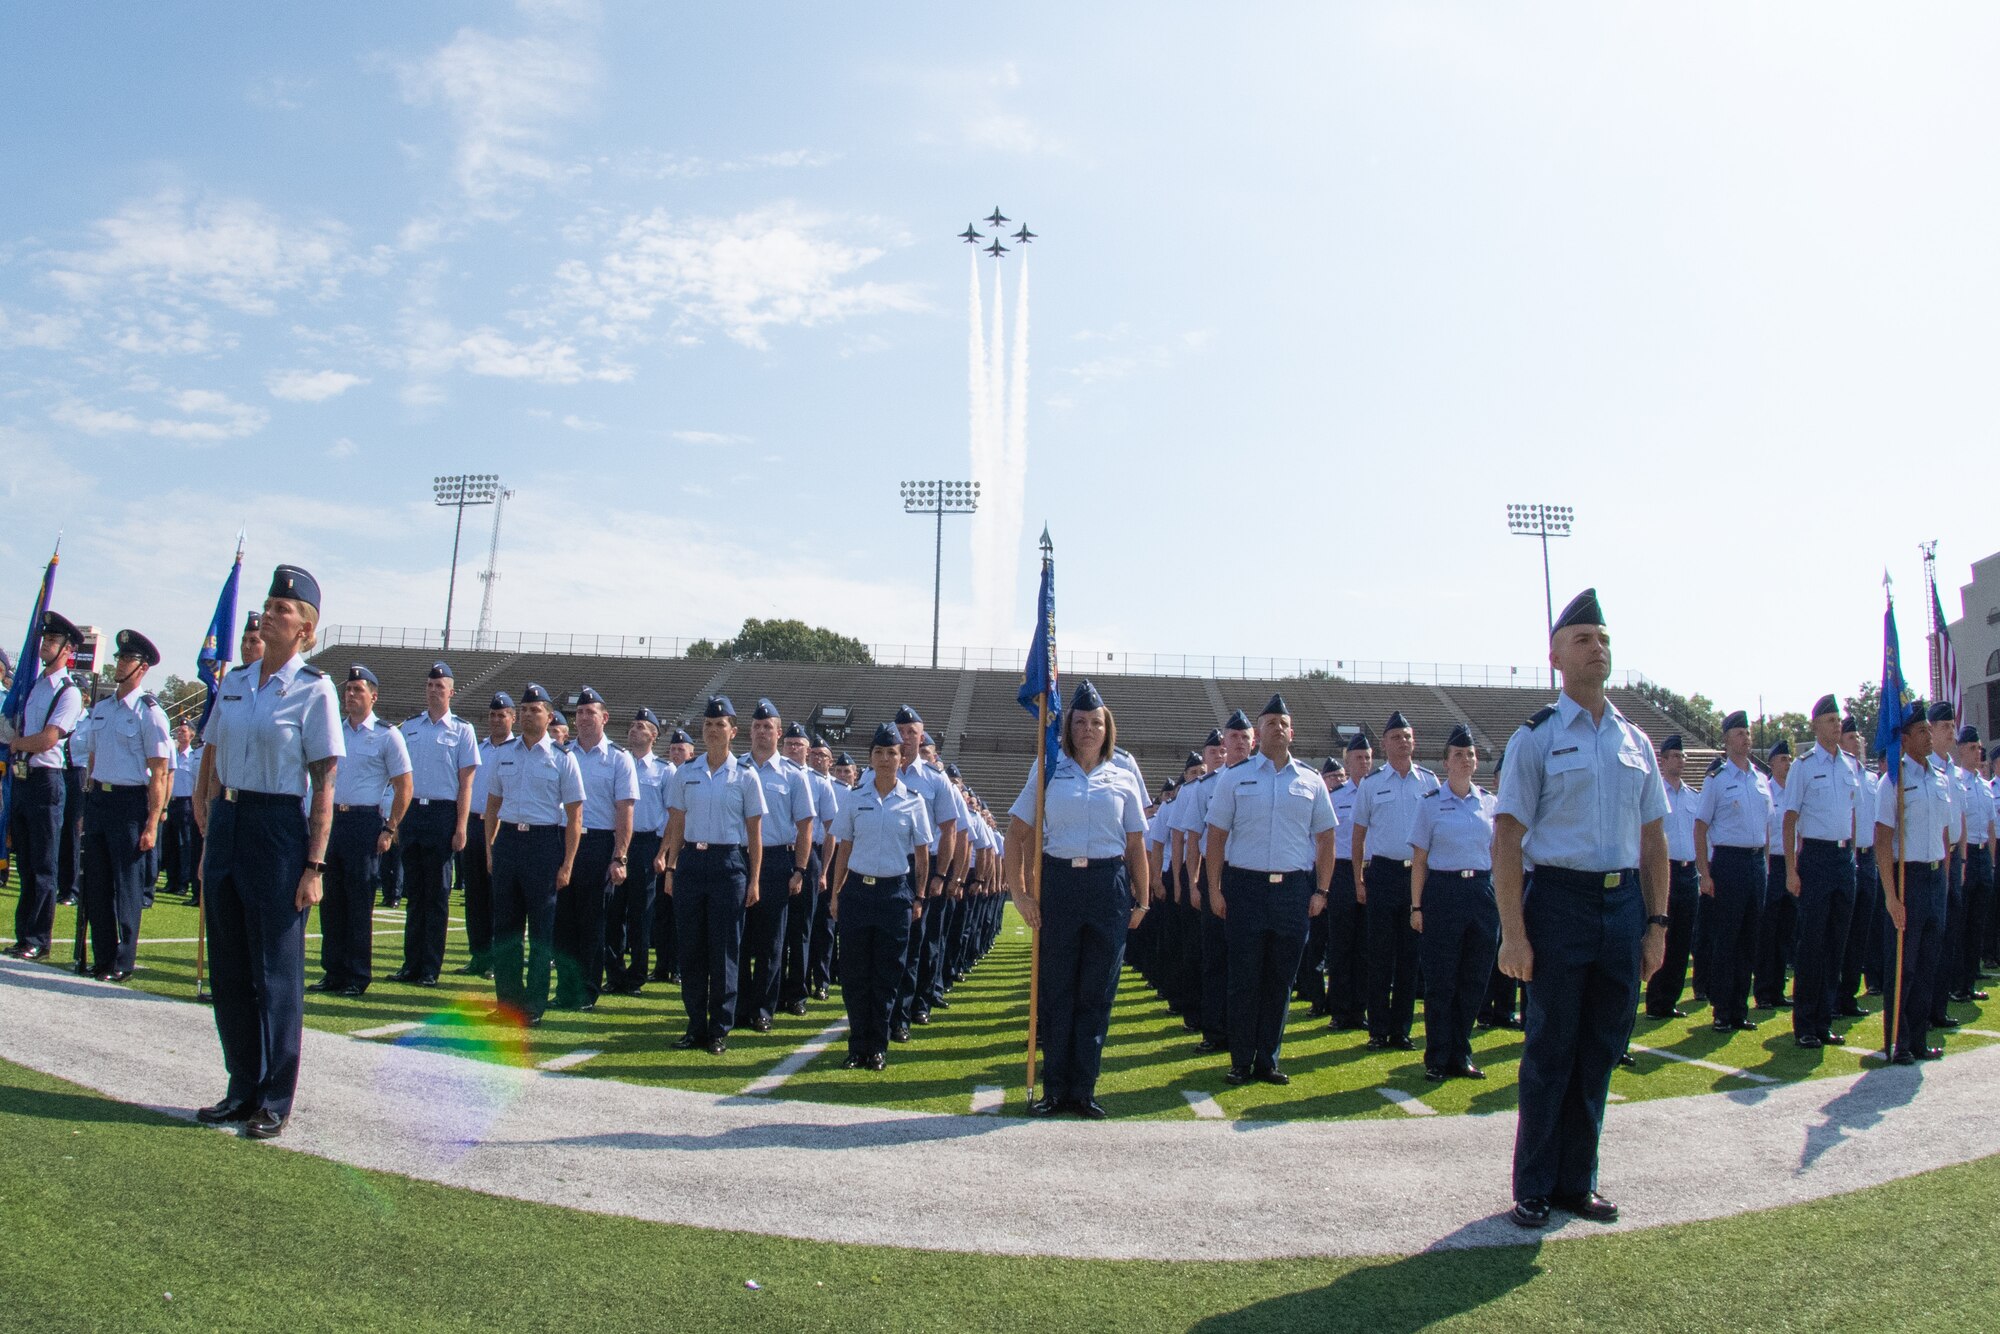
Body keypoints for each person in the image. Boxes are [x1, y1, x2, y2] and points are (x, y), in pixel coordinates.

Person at [1496, 588, 1669, 1229]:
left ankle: (1578, 1180)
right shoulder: (1535, 740)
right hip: (1560, 903)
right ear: (1556, 658)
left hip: (1622, 905)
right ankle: (1535, 1183)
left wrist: (1656, 923)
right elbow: (1507, 840)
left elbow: (1654, 841)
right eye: (1582, 639)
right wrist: (1513, 933)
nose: (1597, 647)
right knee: (1550, 1050)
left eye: (1602, 637)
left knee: (1600, 1049)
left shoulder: (1636, 741)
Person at [192, 565, 342, 1140]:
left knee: (275, 972)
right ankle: (241, 1086)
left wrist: (314, 863)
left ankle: (275, 1097)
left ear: (305, 628)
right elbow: (212, 750)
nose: (269, 613)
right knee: (229, 969)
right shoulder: (233, 682)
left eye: (283, 608)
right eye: (269, 604)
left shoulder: (313, 690)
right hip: (229, 821)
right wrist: (206, 811)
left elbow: (324, 780)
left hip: (278, 828)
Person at [1007, 681, 1151, 1116]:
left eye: (1096, 723)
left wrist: (1142, 900)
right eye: (1081, 722)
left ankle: (1083, 1090)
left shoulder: (1124, 776)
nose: (1089, 729)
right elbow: (1016, 836)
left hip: (1108, 887)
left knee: (1097, 992)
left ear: (1108, 729)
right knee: (1057, 990)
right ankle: (1055, 1091)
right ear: (1067, 727)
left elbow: (1136, 846)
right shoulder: (1047, 769)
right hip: (1060, 885)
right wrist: (1021, 894)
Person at [1205, 693, 1338, 1086]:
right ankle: (1241, 1059)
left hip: (1293, 890)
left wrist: (1322, 891)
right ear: (1257, 735)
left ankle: (1268, 1059)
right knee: (1244, 976)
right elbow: (1215, 838)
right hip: (1244, 886)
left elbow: (1327, 839)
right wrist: (1214, 888)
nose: (1277, 728)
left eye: (1283, 723)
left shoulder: (1311, 781)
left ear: (1292, 733)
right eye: (1269, 724)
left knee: (1281, 979)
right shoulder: (1235, 777)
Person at [658, 696, 766, 1055]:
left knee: (724, 952)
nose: (713, 730)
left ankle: (719, 1028)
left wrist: (754, 879)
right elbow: (676, 823)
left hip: (728, 865)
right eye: (707, 724)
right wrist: (671, 867)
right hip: (691, 862)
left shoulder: (746, 776)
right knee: (690, 950)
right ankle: (695, 1025)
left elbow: (754, 834)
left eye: (720, 725)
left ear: (733, 731)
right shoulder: (686, 772)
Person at [828, 723, 935, 1071]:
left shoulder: (913, 801)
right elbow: (845, 846)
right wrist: (835, 893)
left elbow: (921, 855)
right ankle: (857, 1045)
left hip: (894, 894)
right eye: (879, 753)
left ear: (902, 756)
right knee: (855, 973)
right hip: (858, 891)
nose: (886, 758)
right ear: (870, 758)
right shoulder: (855, 798)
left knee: (887, 975)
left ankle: (878, 1047)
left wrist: (919, 896)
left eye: (892, 753)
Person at [482, 683, 583, 1027]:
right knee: (505, 929)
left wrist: (567, 863)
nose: (528, 714)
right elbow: (492, 805)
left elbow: (575, 816)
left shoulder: (562, 759)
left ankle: (535, 1004)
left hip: (543, 844)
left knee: (541, 931)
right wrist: (490, 848)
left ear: (549, 716)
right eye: (524, 709)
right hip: (509, 841)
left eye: (535, 709)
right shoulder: (503, 754)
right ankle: (508, 1002)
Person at [77, 630, 173, 981]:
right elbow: (91, 757)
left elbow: (159, 773)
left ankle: (123, 959)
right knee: (97, 885)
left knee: (127, 886)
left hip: (130, 803)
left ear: (142, 667)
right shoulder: (101, 709)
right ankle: (102, 957)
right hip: (100, 799)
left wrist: (151, 823)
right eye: (119, 657)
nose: (120, 663)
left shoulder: (150, 713)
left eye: (127, 659)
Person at [311, 665, 411, 998]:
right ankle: (333, 971)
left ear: (374, 696)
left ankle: (356, 974)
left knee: (358, 902)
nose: (351, 695)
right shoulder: (333, 731)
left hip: (364, 823)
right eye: (348, 689)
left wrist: (389, 827)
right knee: (331, 902)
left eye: (358, 690)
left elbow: (404, 786)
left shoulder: (386, 735)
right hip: (333, 822)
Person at [1410, 724, 1499, 1081]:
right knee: (1441, 980)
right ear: (1446, 763)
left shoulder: (1489, 803)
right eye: (1458, 755)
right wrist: (1416, 906)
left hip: (1480, 891)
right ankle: (1437, 1055)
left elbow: (1496, 854)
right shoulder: (1430, 804)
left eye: (1470, 754)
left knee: (1474, 978)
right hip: (1443, 892)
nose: (1465, 760)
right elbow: (1419, 859)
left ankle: (1461, 1053)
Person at [1352, 709, 1439, 1051]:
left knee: (1409, 956)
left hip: (1417, 876)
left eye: (1407, 736)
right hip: (1383, 873)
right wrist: (1359, 879)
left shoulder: (1430, 782)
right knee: (1379, 955)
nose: (1402, 742)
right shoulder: (1373, 784)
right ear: (1384, 744)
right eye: (1395, 737)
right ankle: (1377, 1029)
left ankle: (1401, 1029)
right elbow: (1358, 836)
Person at [393, 662, 479, 987]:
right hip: (413, 812)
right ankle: (410, 963)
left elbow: (466, 783)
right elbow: (400, 780)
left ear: (451, 692)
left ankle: (430, 967)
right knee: (414, 893)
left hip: (443, 814)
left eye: (440, 686)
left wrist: (460, 827)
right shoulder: (410, 727)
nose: (434, 690)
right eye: (430, 685)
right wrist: (396, 819)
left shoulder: (462, 730)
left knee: (437, 895)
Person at [1782, 695, 1861, 1048]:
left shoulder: (1850, 766)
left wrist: (1854, 857)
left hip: (1844, 859)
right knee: (1812, 943)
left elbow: (1853, 815)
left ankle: (1824, 1020)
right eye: (1830, 720)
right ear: (1816, 726)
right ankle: (1805, 1025)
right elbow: (1789, 819)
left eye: (1838, 719)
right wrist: (1790, 869)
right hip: (1814, 858)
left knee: (1836, 944)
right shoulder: (1803, 765)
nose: (1837, 725)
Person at [5, 610, 84, 961]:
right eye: (45, 639)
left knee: (42, 866)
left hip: (46, 782)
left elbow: (49, 739)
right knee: (26, 864)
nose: (45, 645)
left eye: (53, 641)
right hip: (23, 781)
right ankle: (24, 935)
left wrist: (17, 744)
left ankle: (39, 937)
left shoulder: (68, 692)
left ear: (67, 650)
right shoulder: (33, 684)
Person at [1875, 702, 1952, 1064]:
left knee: (1927, 964)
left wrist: (1947, 877)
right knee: (1902, 966)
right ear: (1903, 739)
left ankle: (1919, 1040)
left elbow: (1945, 831)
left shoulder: (1938, 776)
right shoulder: (1894, 779)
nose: (1928, 736)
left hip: (1936, 877)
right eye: (1921, 731)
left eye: (1928, 730)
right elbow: (1882, 838)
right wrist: (1891, 895)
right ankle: (1897, 1041)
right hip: (1909, 876)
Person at [552, 686, 635, 1012]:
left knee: (592, 923)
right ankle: (565, 990)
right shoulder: (563, 754)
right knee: (562, 923)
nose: (584, 718)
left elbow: (624, 810)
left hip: (599, 844)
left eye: (591, 712)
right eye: (580, 713)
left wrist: (619, 855)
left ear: (605, 717)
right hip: (564, 840)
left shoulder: (618, 758)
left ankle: (586, 992)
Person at [739, 700, 816, 1033]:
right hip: (737, 859)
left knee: (772, 941)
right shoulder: (735, 767)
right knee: (737, 938)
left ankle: (762, 1008)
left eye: (767, 726)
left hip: (774, 861)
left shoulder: (793, 775)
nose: (761, 731)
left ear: (778, 733)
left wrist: (799, 869)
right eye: (756, 726)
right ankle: (738, 1005)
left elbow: (805, 826)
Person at [1693, 711, 1771, 1034]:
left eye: (1748, 732)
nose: (1746, 738)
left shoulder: (1760, 779)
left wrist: (1764, 862)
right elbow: (1700, 827)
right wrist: (1705, 872)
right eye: (1739, 733)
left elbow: (1766, 828)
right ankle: (1722, 1009)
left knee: (1749, 941)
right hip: (1728, 863)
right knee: (1727, 939)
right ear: (1726, 740)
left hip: (1755, 864)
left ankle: (1740, 1007)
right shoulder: (1718, 780)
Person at [1176, 720, 1245, 1056]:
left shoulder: (1259, 778)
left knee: (1247, 959)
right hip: (1215, 873)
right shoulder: (1202, 788)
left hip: (1250, 873)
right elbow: (1193, 840)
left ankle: (1244, 1031)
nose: (1225, 751)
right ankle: (1215, 1029)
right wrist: (1193, 883)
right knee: (1215, 955)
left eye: (1238, 740)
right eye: (1219, 747)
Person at [606, 706, 670, 995]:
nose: (634, 730)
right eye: (632, 726)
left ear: (654, 736)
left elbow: (672, 816)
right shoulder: (617, 762)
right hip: (618, 843)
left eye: (641, 727)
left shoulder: (664, 770)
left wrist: (663, 853)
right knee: (613, 911)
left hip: (646, 845)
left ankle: (636, 975)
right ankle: (615, 972)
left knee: (641, 915)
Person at [781, 722, 837, 1014]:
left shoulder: (819, 782)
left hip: (809, 857)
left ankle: (797, 992)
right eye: (789, 744)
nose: (793, 749)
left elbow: (831, 831)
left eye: (799, 745)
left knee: (802, 929)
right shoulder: (771, 774)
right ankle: (774, 990)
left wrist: (824, 871)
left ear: (808, 751)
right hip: (776, 854)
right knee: (774, 928)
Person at [458, 692, 516, 978]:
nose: (496, 720)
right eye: (492, 715)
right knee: (475, 896)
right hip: (474, 824)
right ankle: (478, 955)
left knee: (499, 898)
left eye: (502, 715)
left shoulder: (517, 750)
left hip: (502, 827)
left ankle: (495, 958)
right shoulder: (478, 748)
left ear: (512, 718)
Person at [1645, 734, 1700, 1020]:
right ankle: (1655, 999)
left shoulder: (1693, 796)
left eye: (1682, 756)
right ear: (1662, 761)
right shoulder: (1657, 793)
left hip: (1688, 871)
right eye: (1674, 756)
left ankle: (1670, 999)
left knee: (1682, 940)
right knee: (1661, 933)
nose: (1679, 761)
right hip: (1663, 870)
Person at [1326, 735, 1371, 1031]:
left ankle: (1361, 1009)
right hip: (1341, 872)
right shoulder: (1337, 796)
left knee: (1367, 945)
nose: (1365, 763)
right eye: (1359, 758)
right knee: (1341, 944)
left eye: (1368, 757)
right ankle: (1340, 1010)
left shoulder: (1379, 790)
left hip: (1371, 869)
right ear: (1347, 762)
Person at [1836, 717, 1880, 1021]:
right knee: (1843, 933)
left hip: (1870, 858)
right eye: (1851, 738)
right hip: (1846, 857)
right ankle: (1834, 996)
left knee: (1864, 931)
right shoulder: (1842, 773)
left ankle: (1850, 994)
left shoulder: (1873, 779)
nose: (1858, 743)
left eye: (1859, 739)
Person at [1948, 724, 1994, 1005]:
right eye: (1972, 748)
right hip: (1963, 856)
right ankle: (1956, 983)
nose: (1978, 753)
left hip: (1981, 856)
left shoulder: (1985, 786)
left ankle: (1969, 980)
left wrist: (1990, 863)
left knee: (1977, 922)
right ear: (1961, 750)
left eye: (1978, 748)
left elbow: (1990, 829)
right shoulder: (1957, 781)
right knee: (1961, 922)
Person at [1755, 737, 1796, 1010]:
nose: (1788, 763)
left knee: (1786, 931)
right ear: (1771, 764)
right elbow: (1767, 832)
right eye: (1783, 759)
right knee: (1767, 932)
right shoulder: (1766, 791)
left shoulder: (1794, 792)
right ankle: (1763, 990)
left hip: (1791, 865)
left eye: (1789, 759)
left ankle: (1778, 988)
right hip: (1772, 864)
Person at [162, 724, 204, 902]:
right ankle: (171, 881)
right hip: (171, 801)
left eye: (184, 731)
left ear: (192, 735)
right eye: (178, 731)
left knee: (185, 845)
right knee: (169, 843)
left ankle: (183, 883)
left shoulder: (193, 756)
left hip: (187, 803)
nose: (180, 733)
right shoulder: (173, 754)